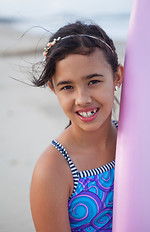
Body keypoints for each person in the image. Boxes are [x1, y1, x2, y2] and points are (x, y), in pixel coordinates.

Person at [30, 21, 124, 232]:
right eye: (67, 87)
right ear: (53, 89)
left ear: (117, 76)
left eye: (93, 82)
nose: (82, 99)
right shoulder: (53, 170)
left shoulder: (133, 141)